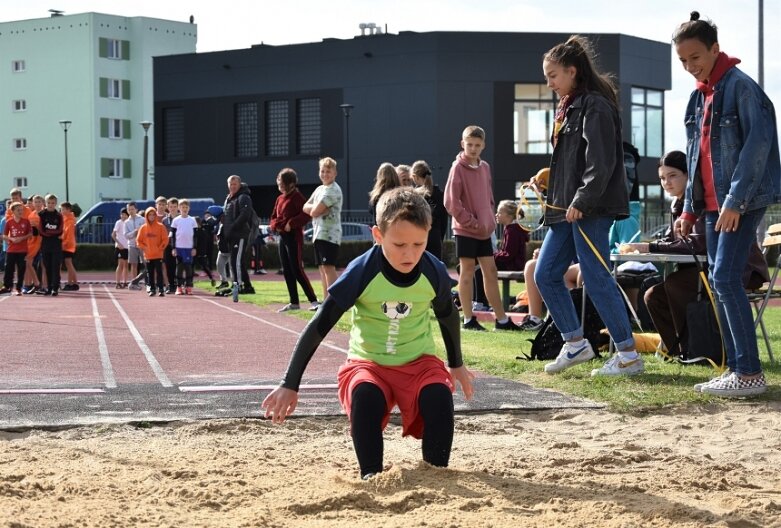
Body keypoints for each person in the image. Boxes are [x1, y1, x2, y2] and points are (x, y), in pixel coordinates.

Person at [262, 187, 475, 480]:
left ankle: (436, 473)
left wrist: (456, 363)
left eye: (418, 243)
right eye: (399, 244)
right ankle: (371, 475)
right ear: (378, 236)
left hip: (418, 362)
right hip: (369, 364)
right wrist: (290, 382)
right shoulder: (362, 270)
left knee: (439, 396)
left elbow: (448, 315)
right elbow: (319, 325)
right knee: (365, 397)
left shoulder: (433, 270)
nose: (409, 254)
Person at [673, 12, 781, 397]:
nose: (690, 66)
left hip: (741, 200)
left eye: (695, 57)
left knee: (724, 279)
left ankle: (749, 373)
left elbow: (757, 148)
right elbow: (693, 156)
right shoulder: (697, 96)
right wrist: (688, 208)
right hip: (710, 207)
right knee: (720, 283)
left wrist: (735, 201)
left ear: (715, 49)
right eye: (683, 61)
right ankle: (737, 369)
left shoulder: (742, 89)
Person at [533, 35, 640, 376]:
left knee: (595, 278)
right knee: (545, 273)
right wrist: (549, 180)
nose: (548, 82)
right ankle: (576, 343)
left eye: (553, 75)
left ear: (572, 71)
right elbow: (576, 162)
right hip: (565, 208)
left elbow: (602, 160)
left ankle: (628, 355)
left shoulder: (595, 105)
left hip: (587, 208)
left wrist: (582, 199)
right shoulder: (570, 105)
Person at [444, 125, 521, 331]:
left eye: (477, 145)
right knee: (467, 271)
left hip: (484, 231)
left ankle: (502, 320)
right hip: (466, 230)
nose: (473, 148)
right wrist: (473, 223)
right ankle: (468, 319)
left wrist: (489, 218)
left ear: (483, 146)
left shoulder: (485, 167)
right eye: (469, 144)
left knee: (490, 271)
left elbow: (488, 196)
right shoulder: (457, 168)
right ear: (463, 144)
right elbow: (451, 203)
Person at [270, 168, 319, 312]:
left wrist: (291, 224)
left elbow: (306, 215)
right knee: (286, 270)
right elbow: (273, 217)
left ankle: (314, 301)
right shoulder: (280, 198)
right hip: (282, 237)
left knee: (297, 269)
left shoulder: (297, 197)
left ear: (290, 184)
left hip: (294, 238)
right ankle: (294, 302)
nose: (279, 184)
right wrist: (277, 226)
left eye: (281, 182)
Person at [473, 200, 528, 310]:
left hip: (513, 265)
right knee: (477, 267)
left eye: (499, 212)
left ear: (508, 215)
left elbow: (509, 254)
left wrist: (492, 257)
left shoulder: (513, 230)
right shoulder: (511, 228)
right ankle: (478, 301)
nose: (496, 215)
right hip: (511, 262)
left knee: (480, 270)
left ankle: (480, 302)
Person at [303, 157, 342, 306]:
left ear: (335, 173)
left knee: (328, 268)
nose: (325, 174)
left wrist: (315, 210)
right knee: (321, 269)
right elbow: (307, 207)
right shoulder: (320, 189)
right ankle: (326, 302)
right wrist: (315, 209)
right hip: (318, 234)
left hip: (330, 235)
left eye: (328, 171)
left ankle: (334, 302)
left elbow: (314, 211)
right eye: (323, 171)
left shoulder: (333, 190)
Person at [222, 175, 255, 300]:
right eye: (230, 184)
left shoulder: (244, 197)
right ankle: (247, 286)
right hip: (231, 235)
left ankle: (239, 286)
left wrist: (232, 227)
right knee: (237, 262)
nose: (232, 186)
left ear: (239, 184)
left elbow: (245, 215)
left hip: (240, 235)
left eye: (235, 184)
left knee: (235, 262)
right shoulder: (229, 198)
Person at [411, 160, 448, 261]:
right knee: (435, 269)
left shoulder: (414, 195)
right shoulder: (440, 194)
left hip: (418, 236)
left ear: (415, 177)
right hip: (435, 236)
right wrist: (440, 238)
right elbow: (444, 220)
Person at [135, 207, 168, 297]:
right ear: (146, 216)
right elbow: (138, 241)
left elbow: (165, 239)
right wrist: (144, 247)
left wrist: (160, 248)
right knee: (150, 273)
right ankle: (152, 289)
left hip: (158, 254)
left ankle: (161, 289)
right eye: (150, 214)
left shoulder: (161, 226)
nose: (152, 216)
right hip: (148, 255)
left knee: (159, 272)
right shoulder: (143, 228)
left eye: (153, 214)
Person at [1, 202, 32, 295]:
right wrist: (11, 238)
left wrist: (21, 238)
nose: (20, 211)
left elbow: (30, 234)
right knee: (8, 268)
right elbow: (4, 235)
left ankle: (19, 288)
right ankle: (7, 286)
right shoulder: (9, 222)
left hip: (22, 250)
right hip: (11, 249)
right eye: (18, 210)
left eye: (21, 210)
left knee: (21, 268)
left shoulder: (26, 221)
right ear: (13, 211)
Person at [171, 199, 198, 295]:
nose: (184, 209)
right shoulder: (175, 220)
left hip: (189, 248)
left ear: (189, 208)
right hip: (179, 248)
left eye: (186, 207)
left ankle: (189, 286)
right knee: (179, 268)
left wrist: (194, 247)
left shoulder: (192, 220)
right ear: (179, 208)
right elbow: (173, 236)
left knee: (188, 268)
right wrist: (173, 248)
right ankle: (179, 287)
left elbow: (195, 235)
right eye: (182, 207)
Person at [37, 194, 64, 296]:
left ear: (56, 204)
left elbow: (60, 230)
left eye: (53, 203)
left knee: (55, 266)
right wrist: (51, 233)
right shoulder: (41, 214)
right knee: (47, 266)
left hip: (56, 244)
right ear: (45, 203)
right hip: (45, 244)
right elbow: (41, 230)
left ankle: (55, 288)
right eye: (49, 203)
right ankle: (48, 288)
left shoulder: (59, 215)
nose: (51, 205)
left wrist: (50, 232)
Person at [125, 202, 146, 290]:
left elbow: (146, 231)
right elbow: (126, 235)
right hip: (132, 245)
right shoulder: (126, 222)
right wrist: (135, 231)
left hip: (142, 245)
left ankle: (147, 281)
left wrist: (140, 232)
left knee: (146, 264)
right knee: (134, 264)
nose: (131, 211)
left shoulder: (142, 219)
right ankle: (134, 283)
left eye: (132, 209)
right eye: (129, 209)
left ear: (136, 209)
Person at [60, 202, 79, 291]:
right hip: (67, 245)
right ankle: (73, 283)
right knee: (69, 264)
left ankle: (71, 283)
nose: (61, 211)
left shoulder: (70, 221)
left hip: (68, 246)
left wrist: (64, 244)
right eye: (61, 209)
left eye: (63, 209)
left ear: (68, 210)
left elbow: (69, 235)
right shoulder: (65, 219)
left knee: (69, 264)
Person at [112, 208, 130, 288]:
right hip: (120, 247)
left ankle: (125, 282)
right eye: (122, 214)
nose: (123, 216)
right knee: (120, 264)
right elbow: (113, 235)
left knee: (126, 265)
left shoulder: (128, 223)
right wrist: (119, 244)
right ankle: (118, 282)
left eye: (125, 214)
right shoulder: (118, 223)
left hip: (127, 247)